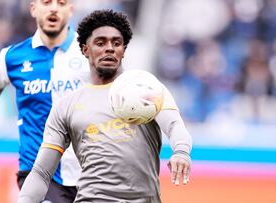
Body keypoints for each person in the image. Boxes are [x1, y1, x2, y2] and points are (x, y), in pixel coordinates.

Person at [18, 9, 192, 203]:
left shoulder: (147, 88)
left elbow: (175, 125)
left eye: (116, 43)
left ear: (124, 50)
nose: (109, 48)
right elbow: (41, 172)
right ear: (85, 49)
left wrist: (181, 152)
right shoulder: (66, 106)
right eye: (100, 43)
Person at [0, 0, 90, 202]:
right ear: (33, 8)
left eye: (61, 3)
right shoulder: (12, 57)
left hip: (88, 171)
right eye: (46, 2)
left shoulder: (91, 53)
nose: (53, 8)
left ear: (70, 10)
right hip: (37, 171)